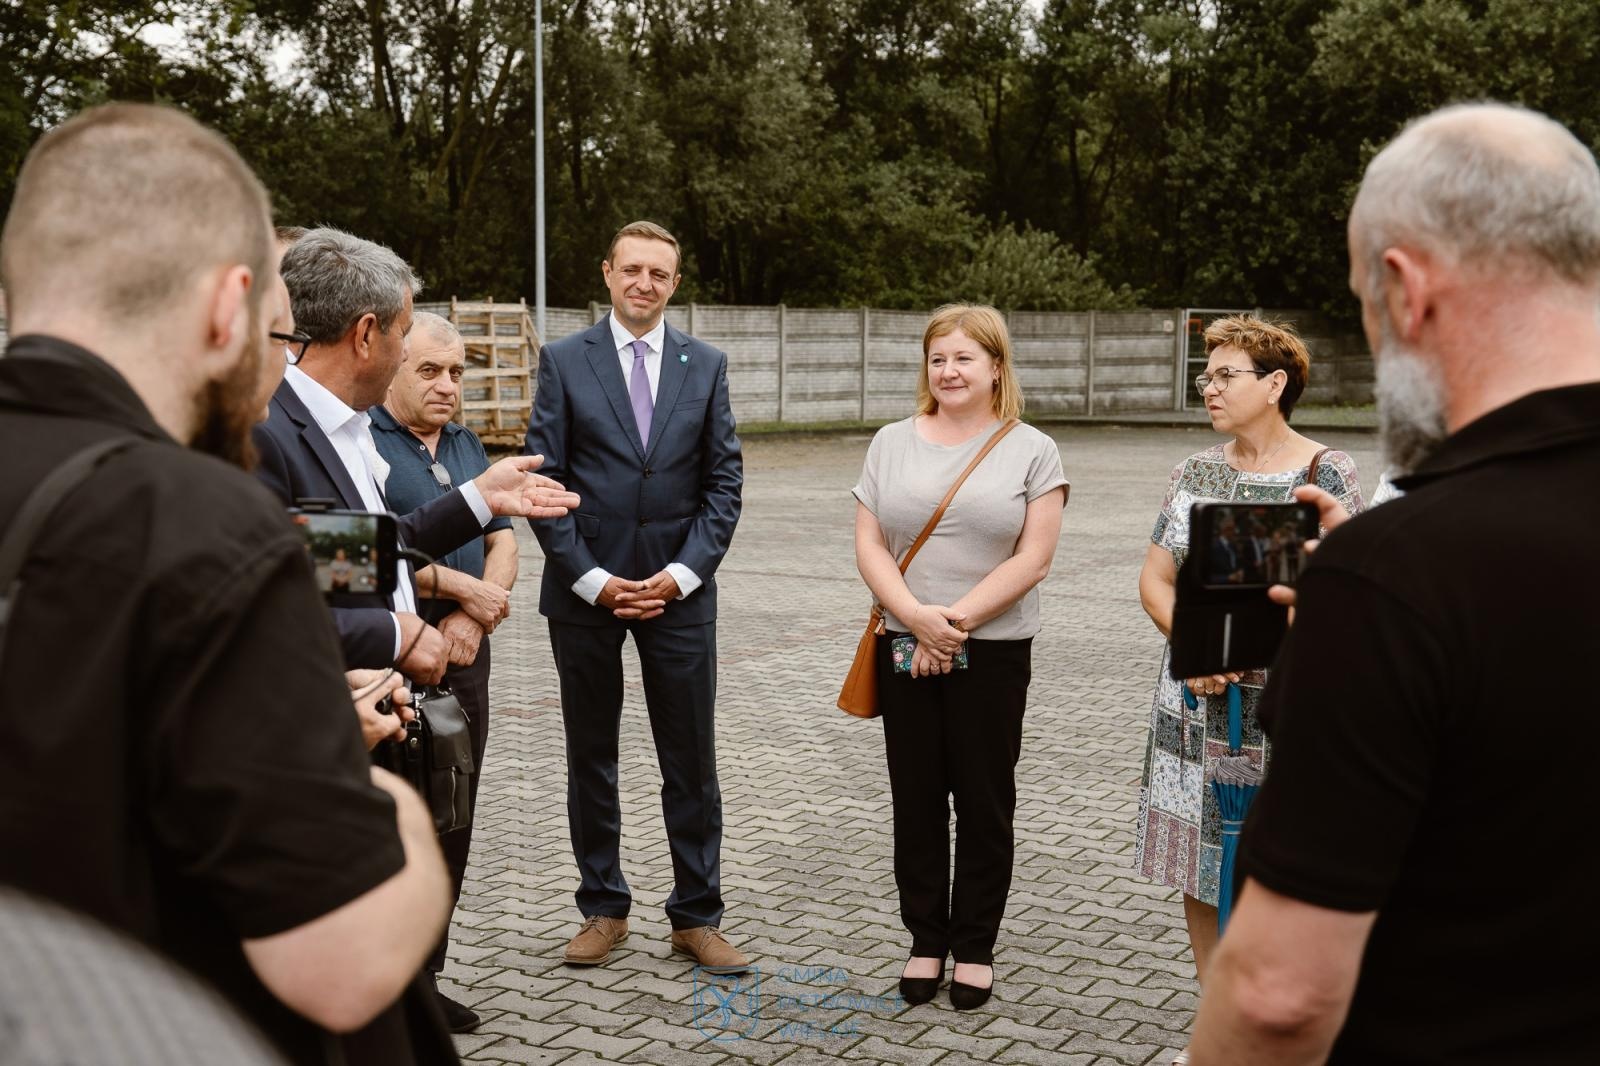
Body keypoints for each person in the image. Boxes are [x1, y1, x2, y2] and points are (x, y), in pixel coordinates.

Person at [0, 102, 454, 1066]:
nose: (274, 359)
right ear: (226, 307)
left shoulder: (370, 435)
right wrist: (385, 795)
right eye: (273, 331)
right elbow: (304, 556)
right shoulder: (214, 484)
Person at [1190, 102, 1600, 1064]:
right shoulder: (1393, 579)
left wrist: (1368, 608)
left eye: (1365, 307)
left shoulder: (1399, 577)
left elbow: (1279, 997)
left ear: (1405, 289)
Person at [523, 220, 746, 973]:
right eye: (632, 270)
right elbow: (543, 482)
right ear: (607, 273)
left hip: (679, 593)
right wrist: (594, 579)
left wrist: (682, 575)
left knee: (692, 761)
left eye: (659, 273)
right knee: (592, 756)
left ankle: (696, 916)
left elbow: (724, 485)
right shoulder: (561, 361)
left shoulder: (706, 365)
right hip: (584, 591)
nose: (644, 283)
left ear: (674, 284)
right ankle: (603, 907)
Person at [1132, 315, 1363, 1036]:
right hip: (1195, 700)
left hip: (1286, 707)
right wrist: (1198, 650)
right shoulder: (1194, 472)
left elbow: (1342, 592)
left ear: (1275, 384)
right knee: (1203, 864)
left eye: (1225, 375)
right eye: (1206, 377)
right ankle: (1220, 1025)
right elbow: (1154, 580)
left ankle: (1283, 1027)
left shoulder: (1326, 474)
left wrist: (1259, 652)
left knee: (1281, 863)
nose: (1209, 388)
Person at [851, 304, 1068, 1011]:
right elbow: (871, 544)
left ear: (996, 367)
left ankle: (975, 945)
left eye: (964, 358)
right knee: (916, 801)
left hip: (995, 648)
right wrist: (916, 619)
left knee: (983, 801)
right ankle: (925, 939)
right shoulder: (890, 441)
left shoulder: (1034, 449)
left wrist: (958, 623)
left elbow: (1034, 558)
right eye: (938, 358)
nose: (948, 370)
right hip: (903, 643)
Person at [252, 227, 576, 686]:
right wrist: (389, 634)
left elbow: (334, 552)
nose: (404, 351)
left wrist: (481, 497)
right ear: (365, 335)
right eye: (403, 334)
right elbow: (261, 592)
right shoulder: (267, 427)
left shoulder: (344, 424)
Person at [371, 312, 517, 1032]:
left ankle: (427, 977)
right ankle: (385, 983)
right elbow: (366, 550)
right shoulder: (362, 439)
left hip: (464, 659)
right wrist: (456, 591)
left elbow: (504, 540)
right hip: (395, 657)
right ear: (393, 363)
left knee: (452, 819)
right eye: (430, 370)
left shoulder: (465, 442)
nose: (448, 386)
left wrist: (474, 617)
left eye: (458, 372)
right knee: (398, 824)